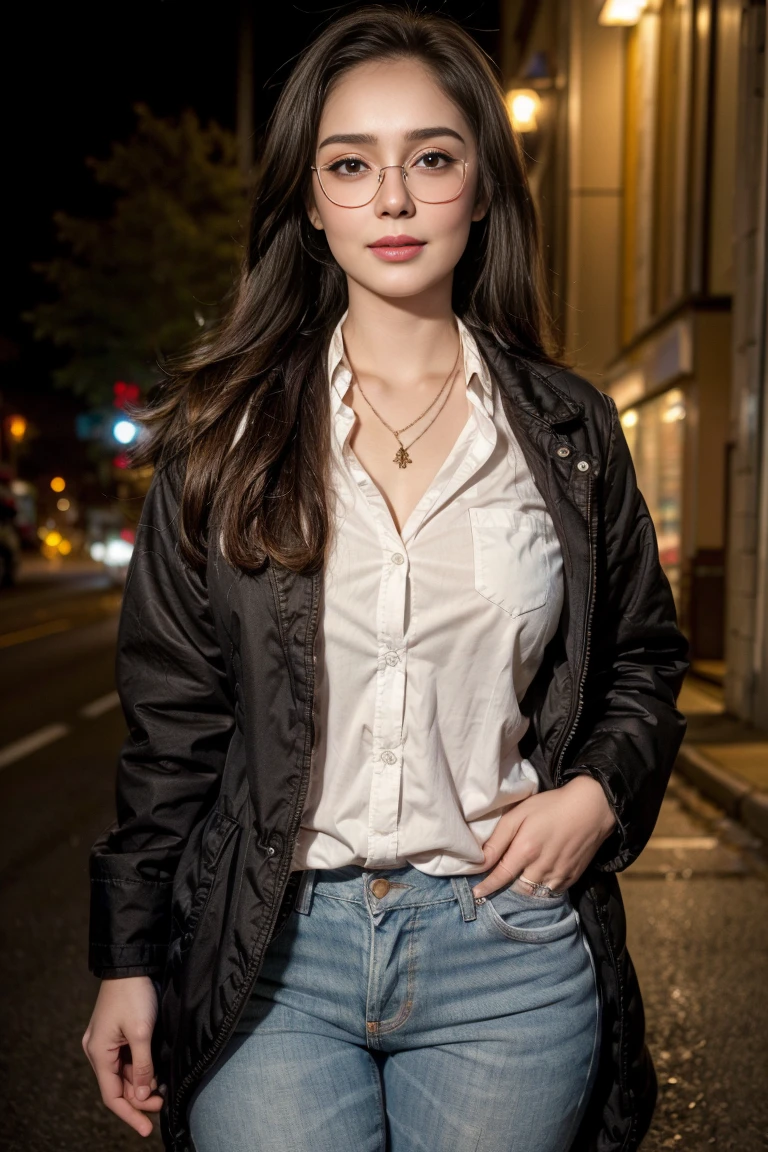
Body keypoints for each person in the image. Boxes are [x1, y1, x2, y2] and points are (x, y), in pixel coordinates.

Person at [81, 7, 688, 1151]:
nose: (394, 200)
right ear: (310, 202)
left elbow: (644, 665)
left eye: (433, 159)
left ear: (483, 186)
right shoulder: (227, 436)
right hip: (273, 955)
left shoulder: (568, 432)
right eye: (351, 165)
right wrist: (126, 961)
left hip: (504, 955)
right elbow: (172, 731)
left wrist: (599, 790)